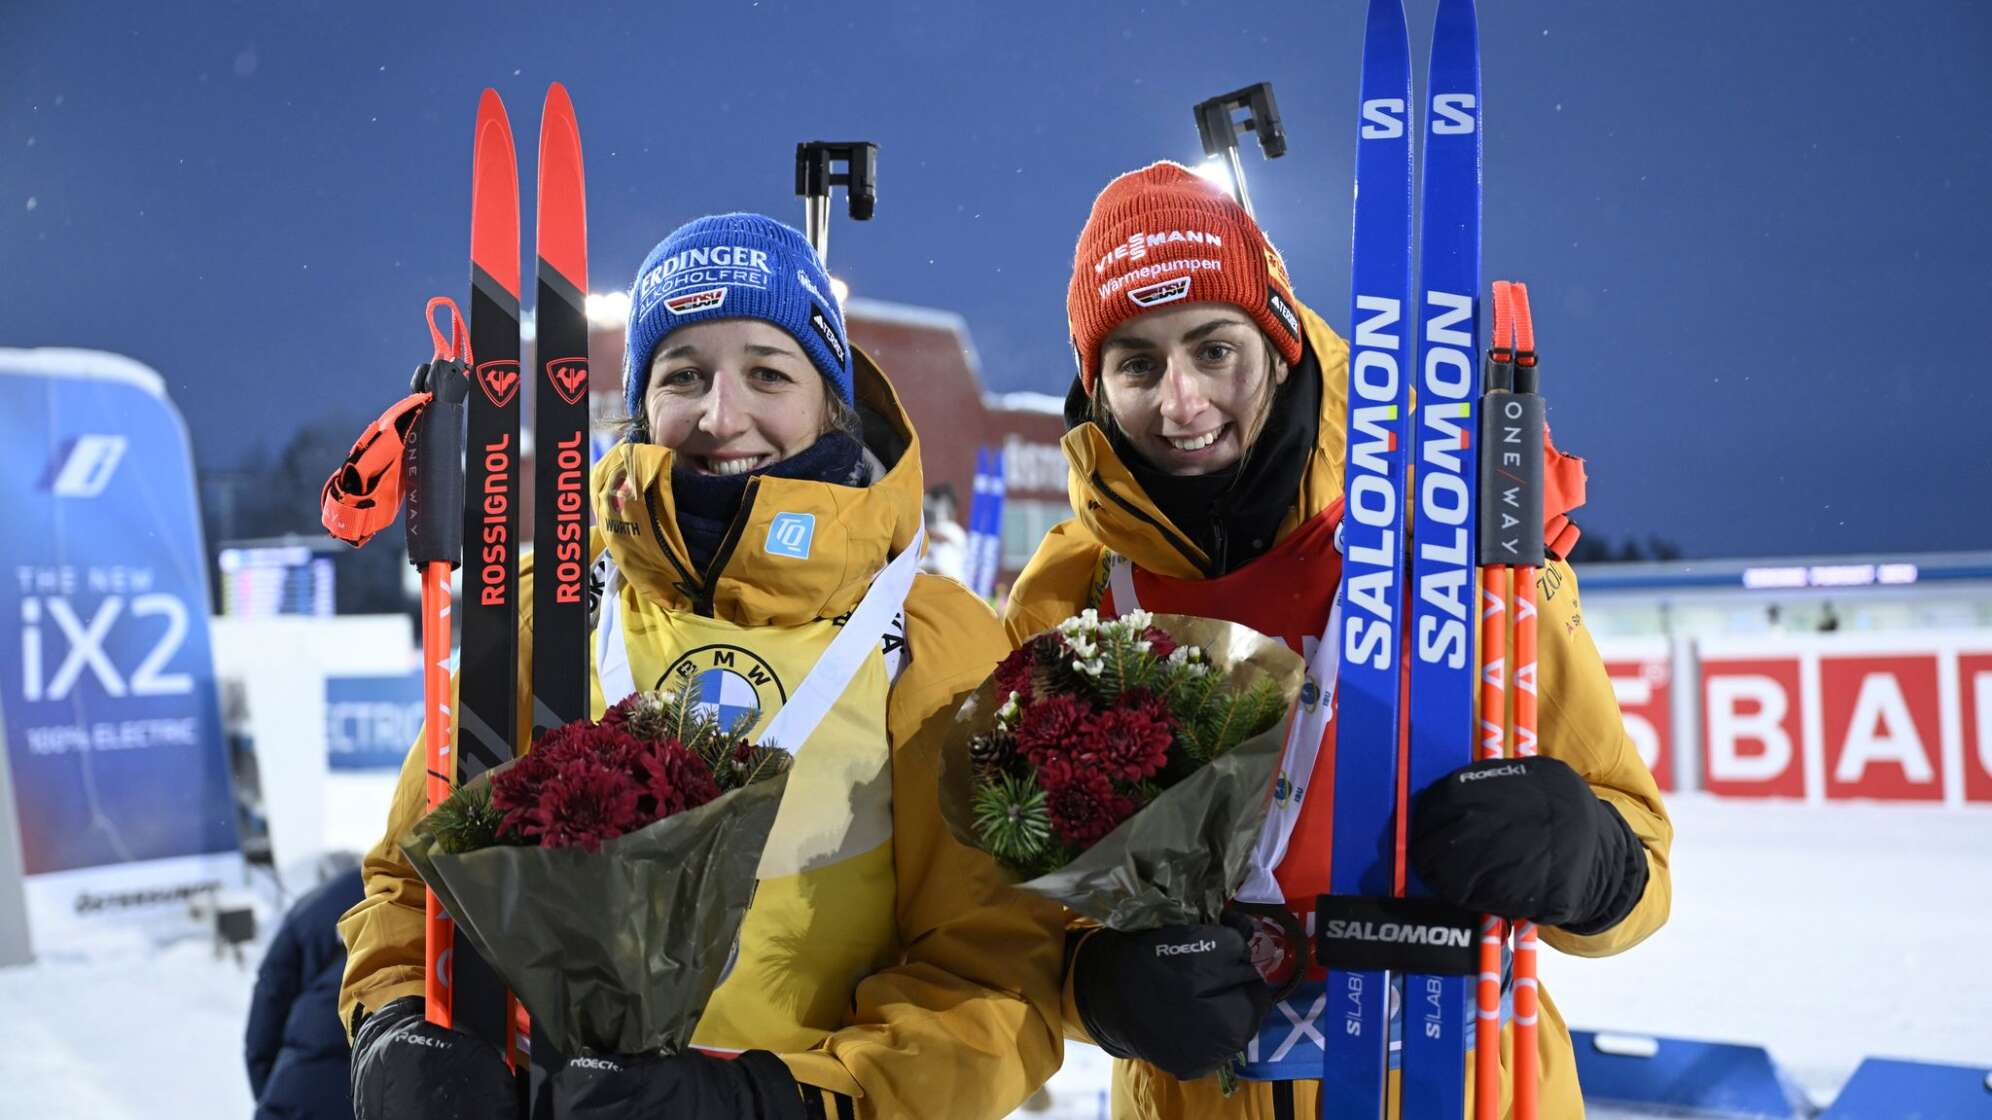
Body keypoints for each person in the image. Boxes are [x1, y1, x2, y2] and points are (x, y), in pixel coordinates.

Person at [338, 214, 1065, 1120]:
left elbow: (999, 973)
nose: (723, 417)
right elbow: (415, 891)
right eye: (684, 375)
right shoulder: (547, 605)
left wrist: (770, 1104)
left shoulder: (935, 639)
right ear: (642, 402)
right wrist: (401, 1027)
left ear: (830, 398)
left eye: (768, 371)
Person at [1003, 163, 1675, 1118]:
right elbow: (1018, 909)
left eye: (1214, 349)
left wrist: (1589, 859)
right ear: (1097, 389)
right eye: (1138, 363)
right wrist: (1098, 985)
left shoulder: (1444, 536)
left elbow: (1641, 859)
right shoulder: (1073, 597)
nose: (1182, 401)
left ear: (1278, 344)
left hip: (1465, 1084)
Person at [245, 866, 366, 1119]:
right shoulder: (449, 893)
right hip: (396, 1091)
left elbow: (269, 1003)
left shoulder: (322, 902)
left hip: (300, 1087)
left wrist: (276, 1092)